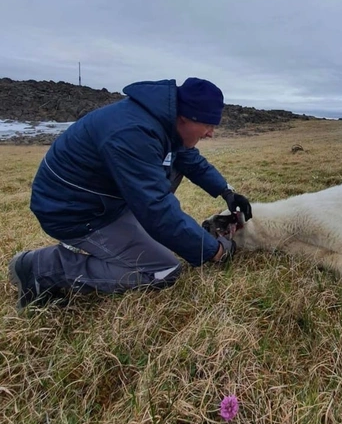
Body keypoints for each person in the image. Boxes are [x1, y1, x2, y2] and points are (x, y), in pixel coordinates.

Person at [8, 77, 252, 312]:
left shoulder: (163, 122)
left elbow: (189, 160)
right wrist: (214, 251)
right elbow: (156, 208)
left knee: (175, 172)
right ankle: (41, 268)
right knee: (163, 270)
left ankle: (131, 234)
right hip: (73, 212)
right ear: (185, 117)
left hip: (101, 200)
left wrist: (226, 191)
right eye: (208, 125)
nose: (211, 133)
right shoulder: (134, 133)